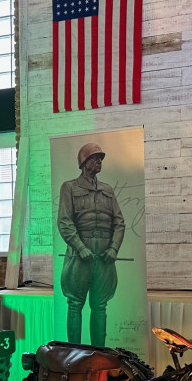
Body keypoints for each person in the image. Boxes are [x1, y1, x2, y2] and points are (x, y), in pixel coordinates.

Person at [57, 143, 125, 346]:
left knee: (100, 305)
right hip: (79, 255)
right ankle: (74, 352)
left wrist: (113, 248)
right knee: (75, 304)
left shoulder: (107, 190)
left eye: (100, 159)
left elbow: (119, 223)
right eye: (95, 158)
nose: (99, 162)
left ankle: (99, 353)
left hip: (104, 255)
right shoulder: (69, 187)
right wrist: (79, 247)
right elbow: (65, 221)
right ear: (84, 162)